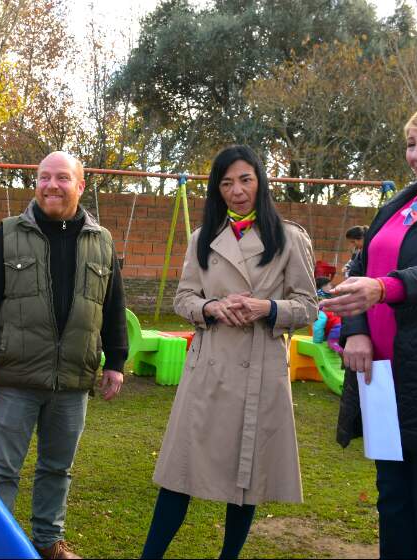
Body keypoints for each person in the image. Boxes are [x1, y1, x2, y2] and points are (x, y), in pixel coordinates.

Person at [141, 145, 317, 559]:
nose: (237, 191)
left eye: (245, 180)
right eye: (226, 183)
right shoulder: (203, 238)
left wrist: (267, 308)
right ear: (217, 190)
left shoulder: (289, 238)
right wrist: (210, 308)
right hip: (208, 369)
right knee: (178, 473)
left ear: (260, 182)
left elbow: (309, 306)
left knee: (246, 477)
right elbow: (183, 297)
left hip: (260, 369)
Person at [0, 151, 128, 560]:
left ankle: (47, 542)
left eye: (61, 178)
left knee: (57, 468)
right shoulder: (9, 232)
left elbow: (112, 306)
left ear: (80, 186)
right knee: (2, 470)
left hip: (72, 378)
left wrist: (117, 362)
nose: (51, 185)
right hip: (17, 375)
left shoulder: (101, 241)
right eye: (43, 178)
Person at [323, 97, 417, 559]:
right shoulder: (400, 203)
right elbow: (361, 266)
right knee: (392, 501)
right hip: (382, 378)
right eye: (411, 144)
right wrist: (356, 329)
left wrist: (387, 288)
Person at [313, 279, 342, 353]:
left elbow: (319, 324)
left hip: (335, 326)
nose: (331, 286)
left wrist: (317, 341)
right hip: (338, 326)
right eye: (329, 285)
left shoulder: (328, 298)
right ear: (323, 286)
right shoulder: (320, 300)